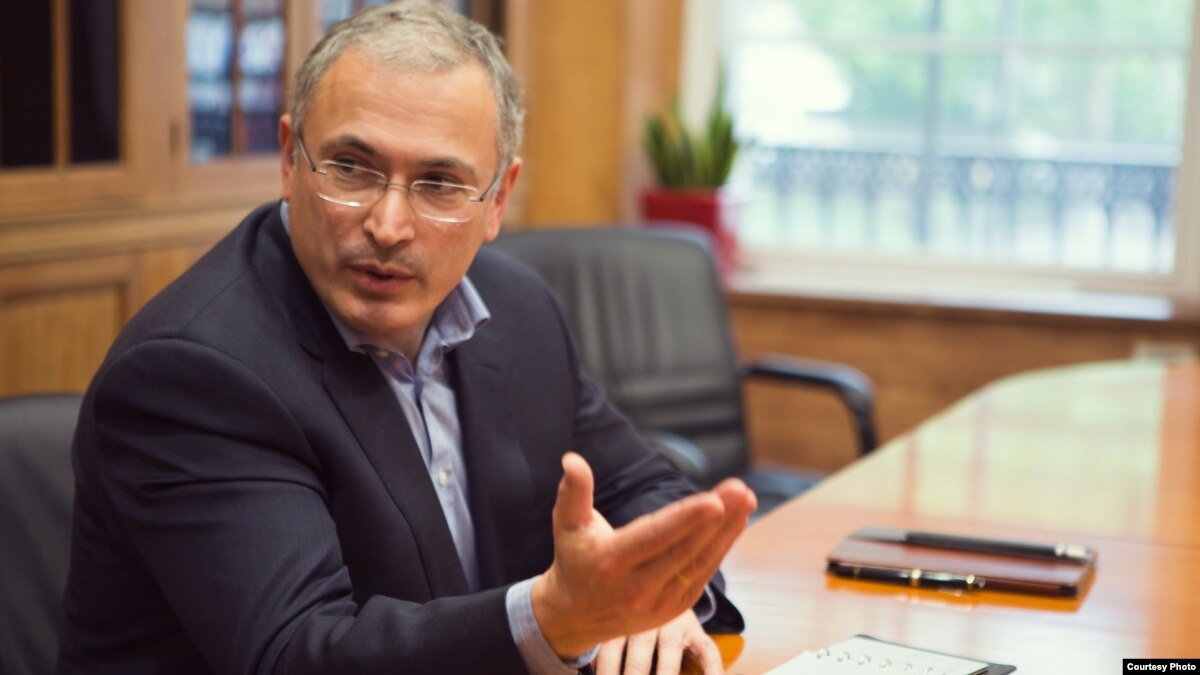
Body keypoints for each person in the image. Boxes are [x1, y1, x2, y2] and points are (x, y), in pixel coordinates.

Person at [58, 2, 756, 674]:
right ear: (289, 159)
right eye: (350, 168)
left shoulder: (517, 307)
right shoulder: (193, 373)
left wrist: (656, 598)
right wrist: (552, 621)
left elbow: (642, 484)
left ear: (498, 200)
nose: (388, 225)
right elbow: (297, 652)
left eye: (440, 183)